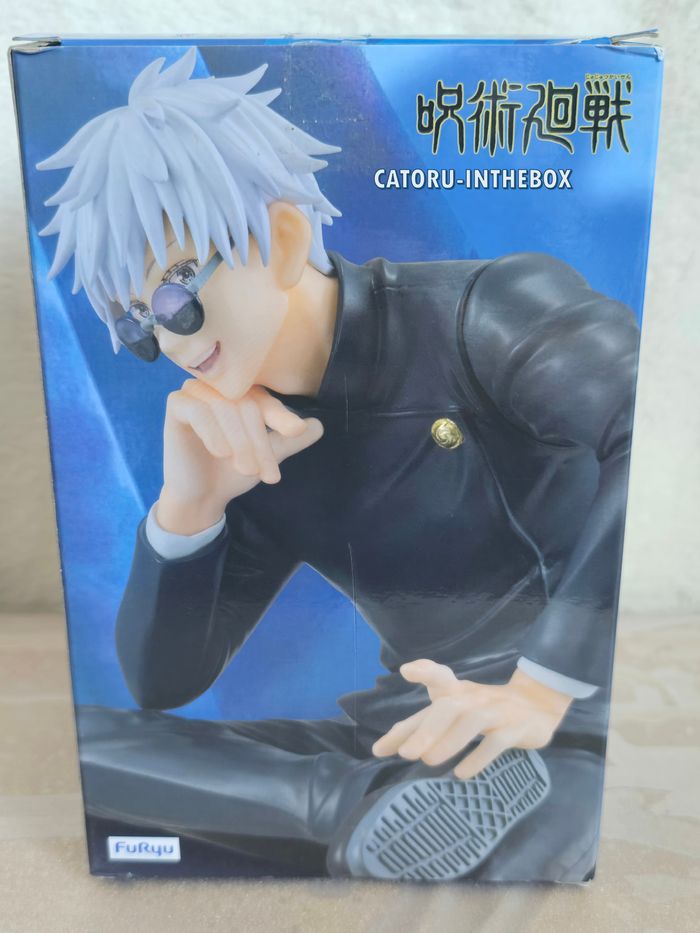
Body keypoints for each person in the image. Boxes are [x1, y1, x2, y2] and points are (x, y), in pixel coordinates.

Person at [37, 48, 640, 881]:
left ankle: (407, 816)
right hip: (396, 736)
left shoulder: (488, 310)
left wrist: (544, 684)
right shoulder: (262, 441)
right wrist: (188, 507)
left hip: (557, 719)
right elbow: (162, 683)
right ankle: (363, 805)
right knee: (92, 747)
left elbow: (642, 427)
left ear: (284, 236)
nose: (170, 338)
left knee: (554, 813)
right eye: (141, 321)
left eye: (175, 288)